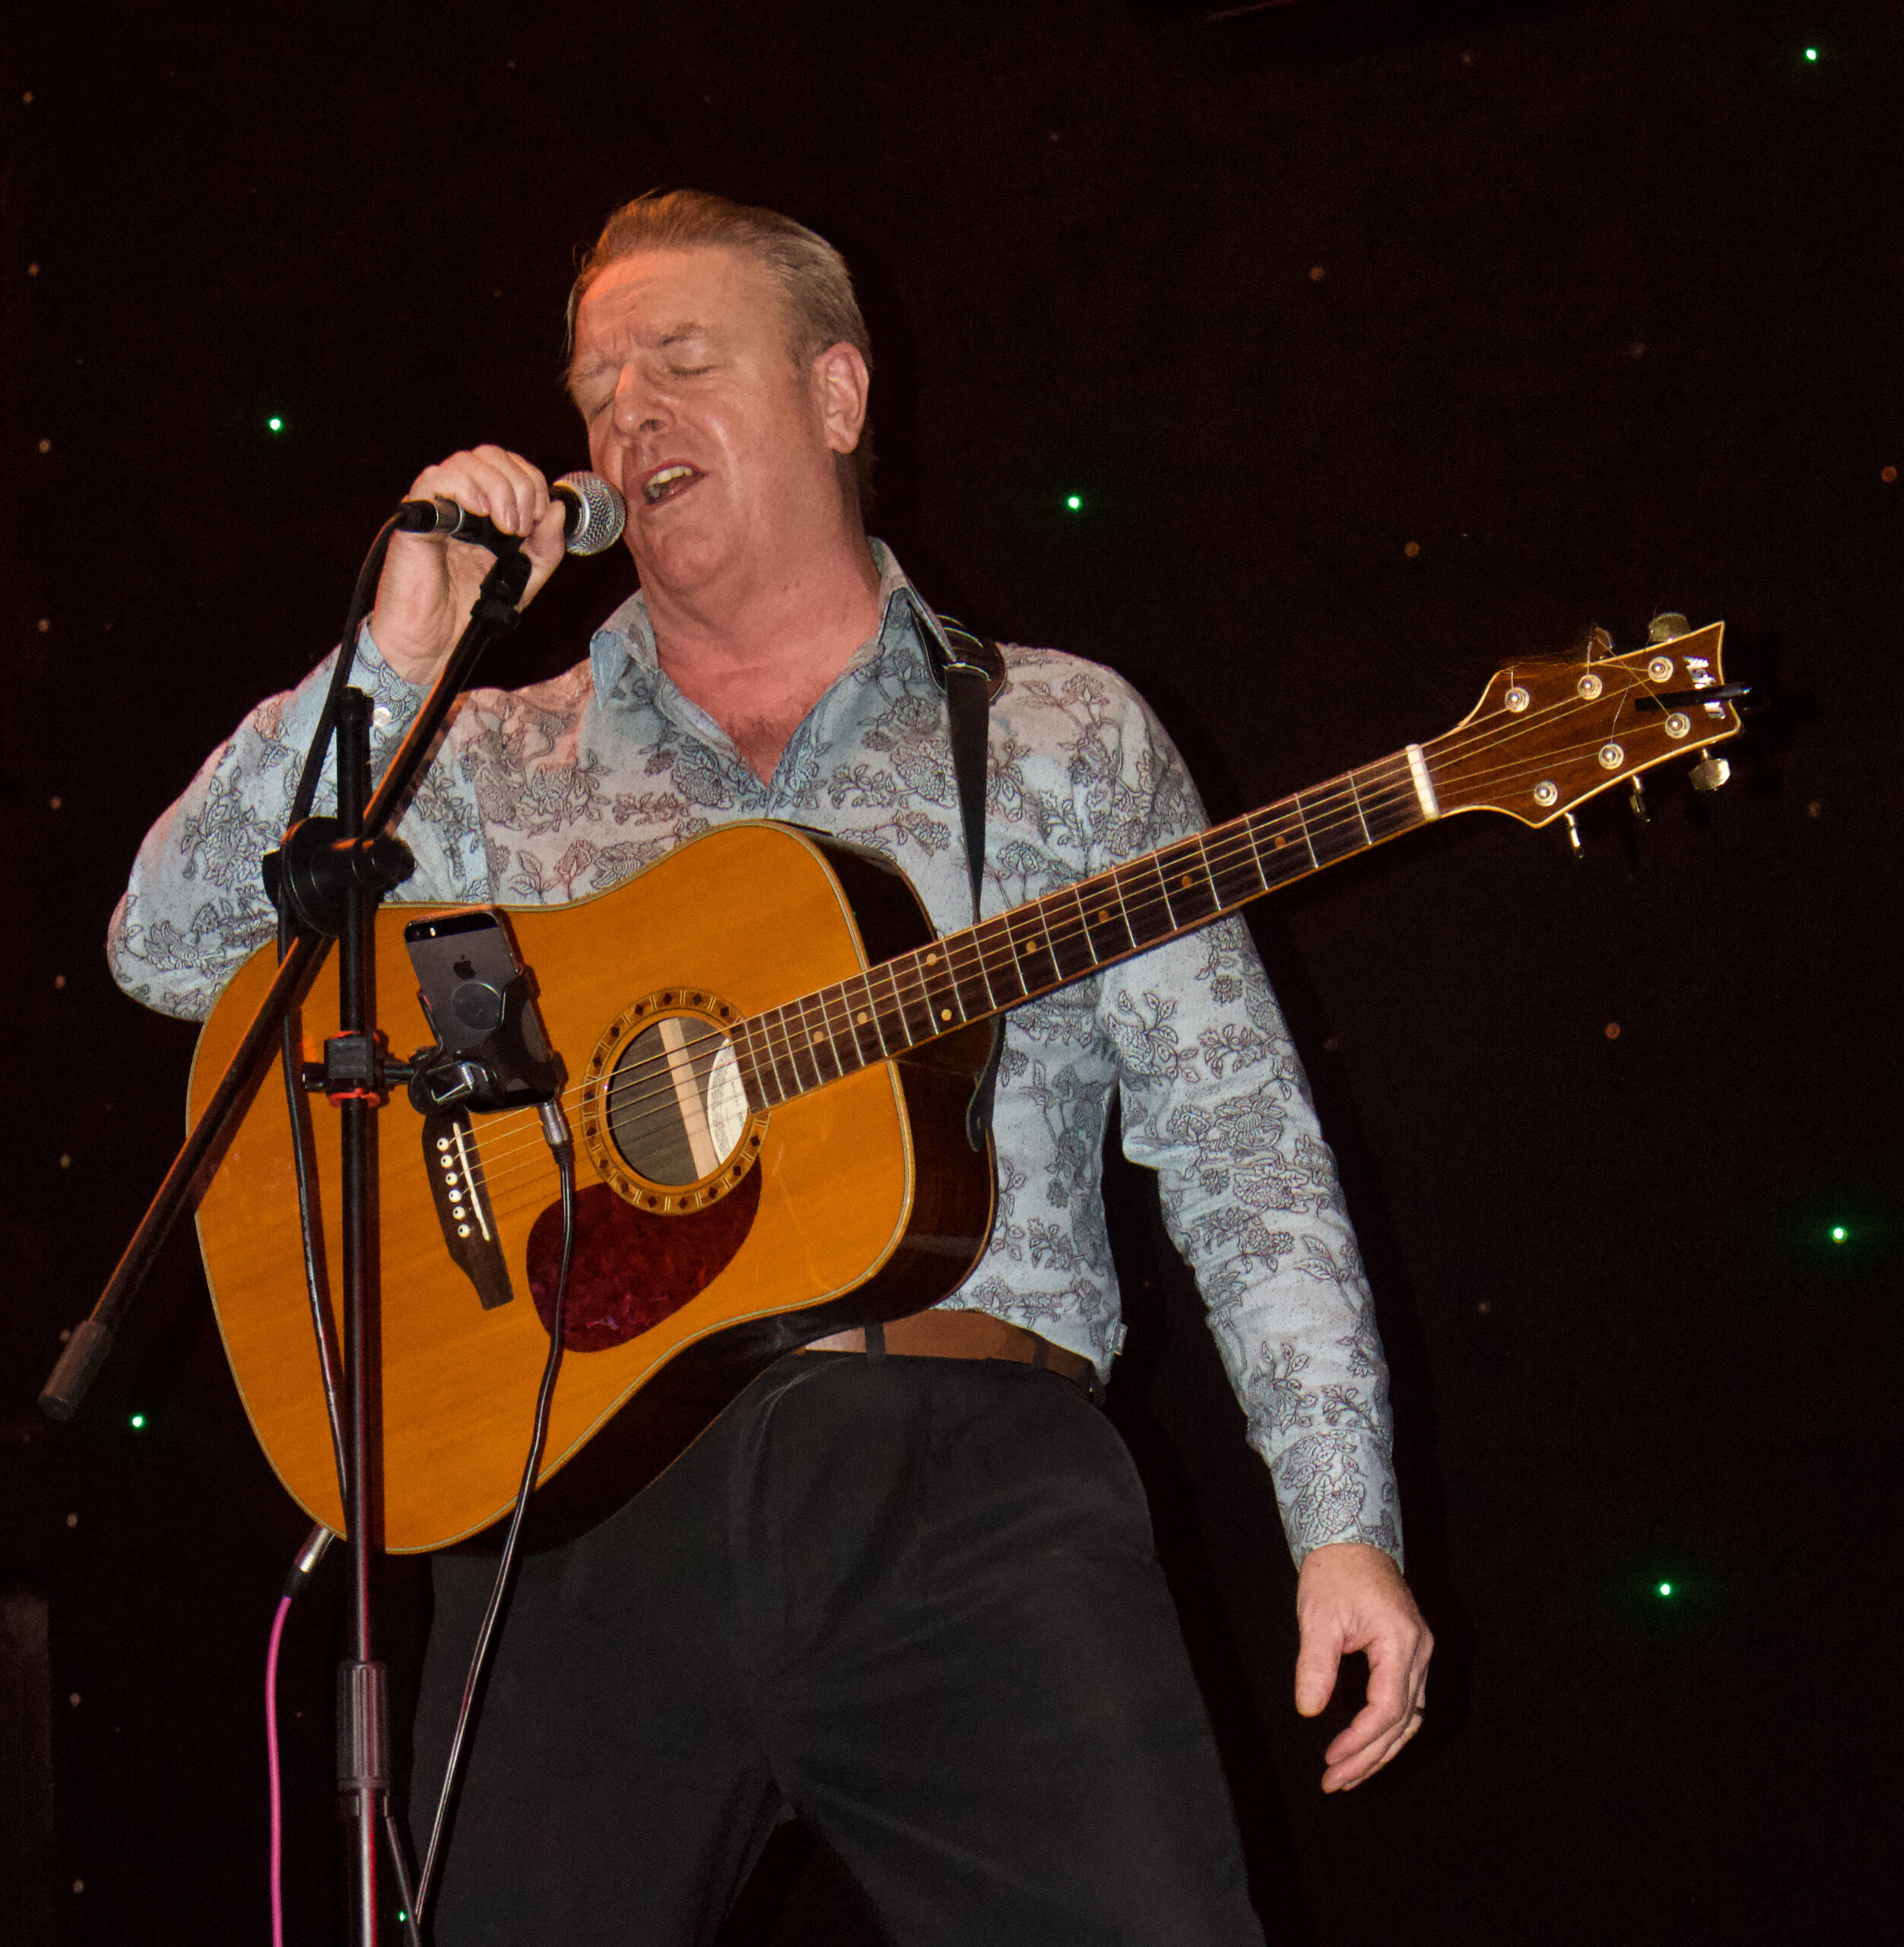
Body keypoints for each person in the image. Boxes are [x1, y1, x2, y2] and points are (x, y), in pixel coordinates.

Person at [109, 191, 1431, 1944]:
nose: (629, 416)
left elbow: (1239, 1136)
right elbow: (168, 945)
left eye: (681, 361)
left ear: (835, 393)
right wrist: (396, 656)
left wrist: (1342, 1519)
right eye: (598, 393)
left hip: (970, 1492)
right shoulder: (488, 754)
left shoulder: (1059, 732)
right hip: (574, 1508)